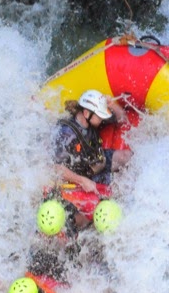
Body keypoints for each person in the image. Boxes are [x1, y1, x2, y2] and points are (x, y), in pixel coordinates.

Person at [52, 90, 132, 228]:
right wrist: (82, 181)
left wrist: (112, 104)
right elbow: (56, 168)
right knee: (114, 193)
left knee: (128, 156)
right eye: (100, 116)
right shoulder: (66, 134)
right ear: (86, 113)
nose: (102, 119)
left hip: (94, 160)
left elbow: (123, 119)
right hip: (78, 175)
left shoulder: (92, 120)